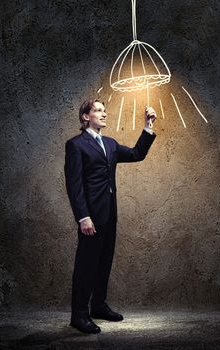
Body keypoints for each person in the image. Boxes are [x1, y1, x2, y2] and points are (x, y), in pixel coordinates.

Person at [64, 99, 157, 334]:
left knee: (104, 263)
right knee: (86, 266)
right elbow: (74, 186)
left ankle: (98, 306)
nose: (104, 114)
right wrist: (83, 217)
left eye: (104, 110)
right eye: (98, 110)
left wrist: (147, 126)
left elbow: (137, 154)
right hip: (91, 217)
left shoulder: (110, 143)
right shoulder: (76, 145)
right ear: (85, 117)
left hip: (110, 215)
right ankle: (79, 315)